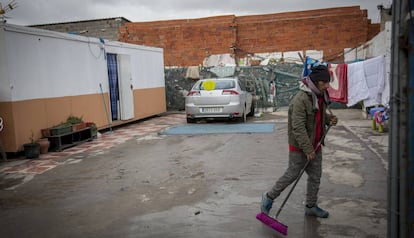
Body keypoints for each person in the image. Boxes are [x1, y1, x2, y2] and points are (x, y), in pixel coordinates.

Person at [261, 64, 338, 218]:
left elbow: (318, 117)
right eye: (325, 82)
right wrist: (307, 149)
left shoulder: (320, 96)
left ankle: (311, 206)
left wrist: (329, 119)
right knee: (291, 175)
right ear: (316, 82)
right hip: (300, 147)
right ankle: (269, 197)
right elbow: (298, 128)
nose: (327, 86)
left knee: (315, 177)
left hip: (316, 144)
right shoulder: (300, 100)